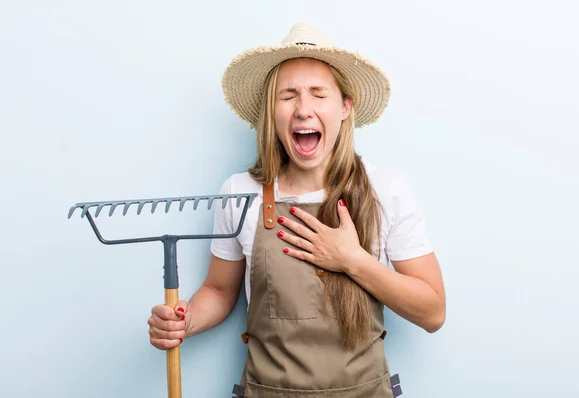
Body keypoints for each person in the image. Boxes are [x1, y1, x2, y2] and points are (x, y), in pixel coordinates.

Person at [147, 22, 446, 397]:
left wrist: (352, 260)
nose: (303, 110)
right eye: (287, 96)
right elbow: (220, 290)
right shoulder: (241, 194)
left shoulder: (387, 190)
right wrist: (185, 321)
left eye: (319, 94)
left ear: (345, 106)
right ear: (271, 111)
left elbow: (433, 312)